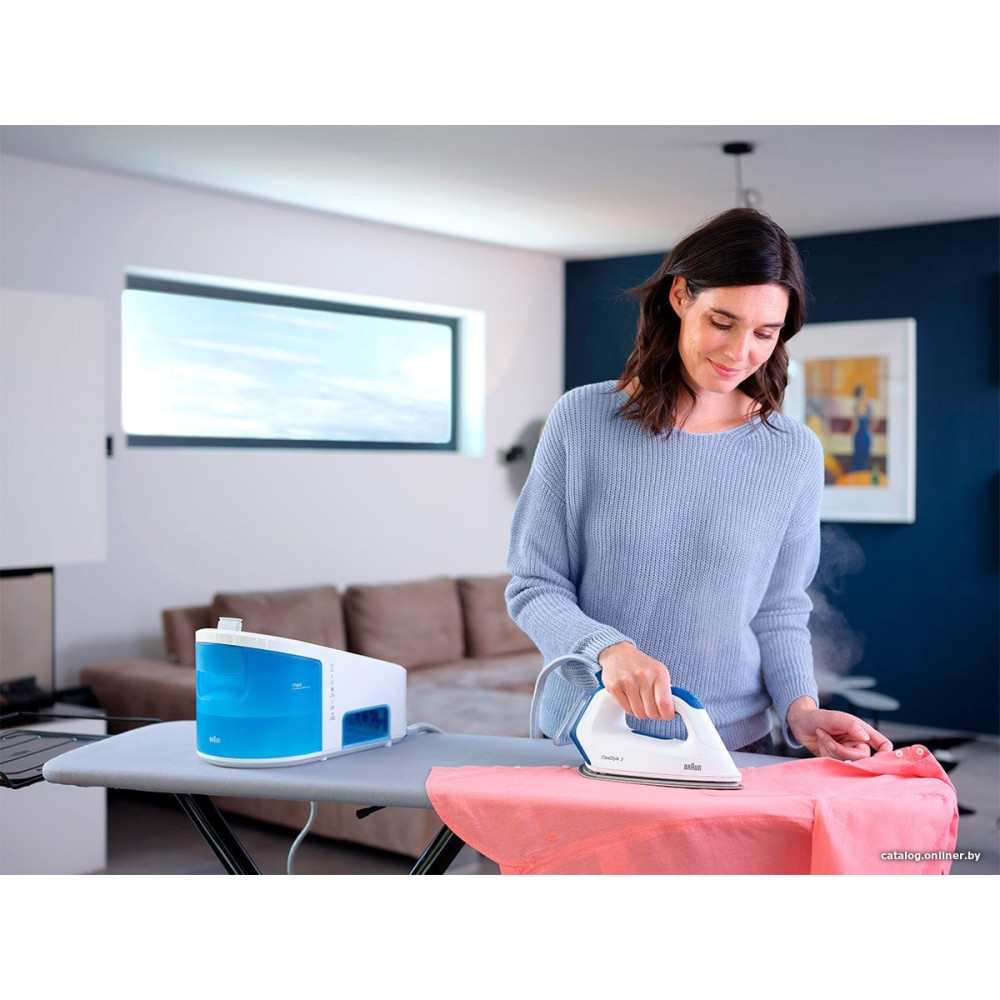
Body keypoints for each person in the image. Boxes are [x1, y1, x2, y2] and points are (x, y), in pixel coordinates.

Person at [505, 208, 892, 761]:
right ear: (681, 296)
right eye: (722, 322)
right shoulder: (583, 420)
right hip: (586, 734)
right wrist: (608, 650)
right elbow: (535, 584)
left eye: (764, 333)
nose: (739, 353)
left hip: (731, 742)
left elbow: (779, 609)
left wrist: (800, 709)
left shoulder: (792, 452)